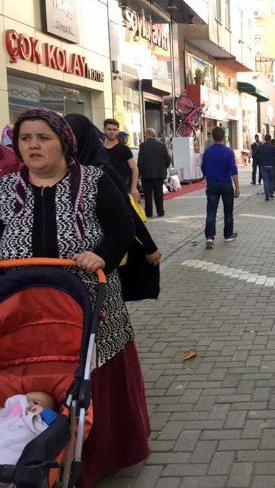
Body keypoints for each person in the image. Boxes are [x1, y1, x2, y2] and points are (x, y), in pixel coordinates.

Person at [0, 108, 149, 487]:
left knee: (90, 369)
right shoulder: (4, 188)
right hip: (24, 307)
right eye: (25, 138)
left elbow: (122, 227)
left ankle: (99, 457)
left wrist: (103, 255)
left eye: (43, 137)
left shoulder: (95, 180)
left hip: (91, 301)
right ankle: (25, 444)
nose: (33, 145)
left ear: (63, 143)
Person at [65, 114, 162, 302]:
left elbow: (125, 215)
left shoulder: (99, 172)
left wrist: (149, 247)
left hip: (97, 262)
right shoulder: (52, 174)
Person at [202, 126, 239, 249]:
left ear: (212, 137)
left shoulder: (207, 151)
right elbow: (233, 171)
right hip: (226, 185)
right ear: (224, 137)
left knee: (211, 211)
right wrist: (237, 187)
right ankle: (228, 234)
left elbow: (203, 168)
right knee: (228, 211)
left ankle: (209, 237)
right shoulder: (228, 152)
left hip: (212, 185)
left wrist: (208, 175)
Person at [1, 392, 57, 465]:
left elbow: (55, 421)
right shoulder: (16, 413)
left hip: (21, 441)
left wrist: (43, 412)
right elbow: (6, 414)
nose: (27, 404)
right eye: (26, 400)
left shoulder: (40, 419)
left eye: (35, 402)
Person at [102, 118, 140, 201]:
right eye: (109, 129)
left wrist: (134, 188)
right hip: (105, 190)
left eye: (114, 129)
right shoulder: (99, 150)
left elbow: (134, 168)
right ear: (104, 130)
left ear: (118, 131)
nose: (112, 132)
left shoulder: (124, 149)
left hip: (124, 189)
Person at [137, 128, 171, 218]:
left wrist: (139, 173)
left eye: (145, 134)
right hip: (159, 174)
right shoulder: (161, 145)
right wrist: (164, 167)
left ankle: (149, 213)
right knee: (159, 194)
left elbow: (140, 161)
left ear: (149, 134)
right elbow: (168, 159)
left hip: (146, 175)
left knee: (148, 195)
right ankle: (160, 212)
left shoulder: (143, 146)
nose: (145, 136)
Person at [255, 134, 275, 201]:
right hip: (271, 166)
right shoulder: (273, 147)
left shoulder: (261, 146)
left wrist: (260, 159)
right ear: (270, 139)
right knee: (271, 180)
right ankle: (271, 194)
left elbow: (254, 154)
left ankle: (267, 195)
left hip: (263, 165)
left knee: (265, 181)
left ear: (265, 139)